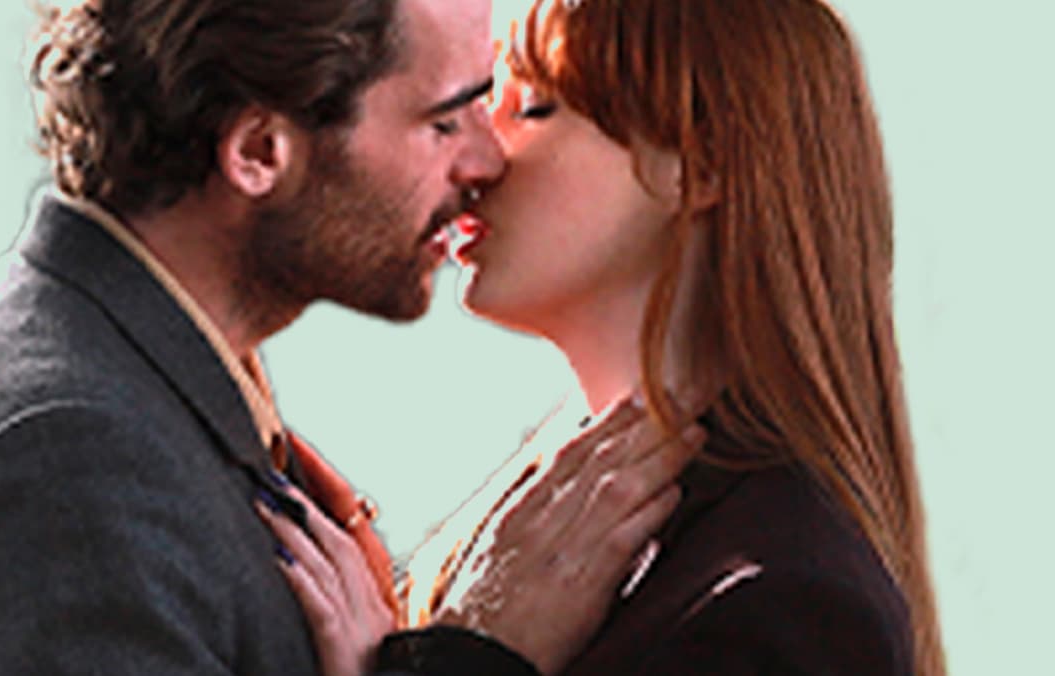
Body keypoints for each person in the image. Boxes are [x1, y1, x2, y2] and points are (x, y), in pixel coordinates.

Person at [0, 0, 702, 674]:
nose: (486, 159)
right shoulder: (61, 458)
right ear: (259, 154)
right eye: (444, 120)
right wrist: (471, 655)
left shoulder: (134, 394)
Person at [269, 0, 948, 673]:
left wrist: (457, 661)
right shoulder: (570, 525)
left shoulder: (784, 603)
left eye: (533, 108)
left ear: (701, 164)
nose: (476, 157)